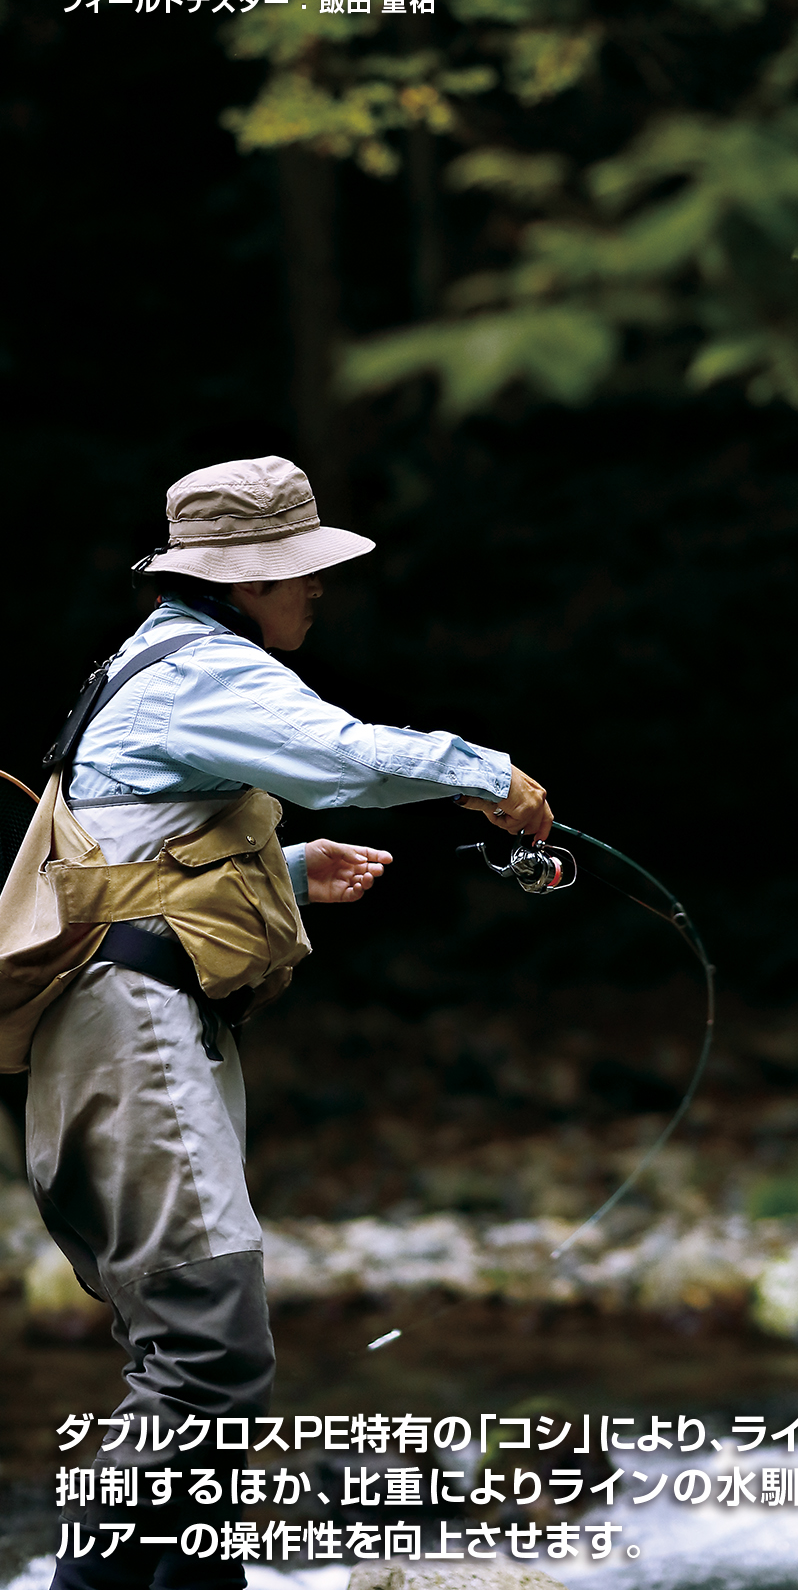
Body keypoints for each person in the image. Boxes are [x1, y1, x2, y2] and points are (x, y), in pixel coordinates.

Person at [26, 455, 552, 1590]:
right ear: (244, 581)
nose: (315, 590)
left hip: (125, 1031)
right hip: (132, 1032)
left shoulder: (156, 663)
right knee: (209, 1355)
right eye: (298, 572)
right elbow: (349, 757)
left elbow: (134, 851)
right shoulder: (198, 671)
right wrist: (485, 773)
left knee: (192, 1359)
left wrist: (290, 870)